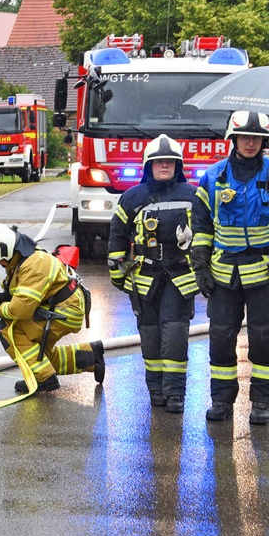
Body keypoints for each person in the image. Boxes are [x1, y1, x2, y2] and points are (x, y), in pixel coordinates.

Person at [191, 111, 269, 426]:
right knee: (220, 338)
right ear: (233, 139)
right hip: (223, 274)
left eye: (256, 138)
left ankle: (262, 402)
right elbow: (202, 225)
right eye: (244, 137)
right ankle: (221, 400)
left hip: (263, 273)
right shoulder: (213, 176)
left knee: (262, 338)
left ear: (264, 141)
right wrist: (200, 265)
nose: (250, 143)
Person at [107, 135, 199, 412]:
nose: (164, 165)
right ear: (149, 165)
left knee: (174, 331)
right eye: (159, 161)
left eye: (169, 161)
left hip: (180, 273)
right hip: (144, 275)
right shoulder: (133, 196)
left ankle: (175, 393)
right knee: (148, 332)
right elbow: (117, 235)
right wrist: (117, 271)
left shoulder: (192, 195)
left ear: (177, 165)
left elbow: (207, 232)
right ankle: (155, 388)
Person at [0, 223, 104, 396]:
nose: (1, 265)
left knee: (7, 329)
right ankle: (91, 356)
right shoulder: (24, 259)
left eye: (1, 261)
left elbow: (19, 310)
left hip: (65, 310)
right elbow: (22, 292)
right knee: (39, 356)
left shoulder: (33, 265)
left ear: (7, 251)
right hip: (61, 307)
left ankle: (43, 379)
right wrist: (1, 298)